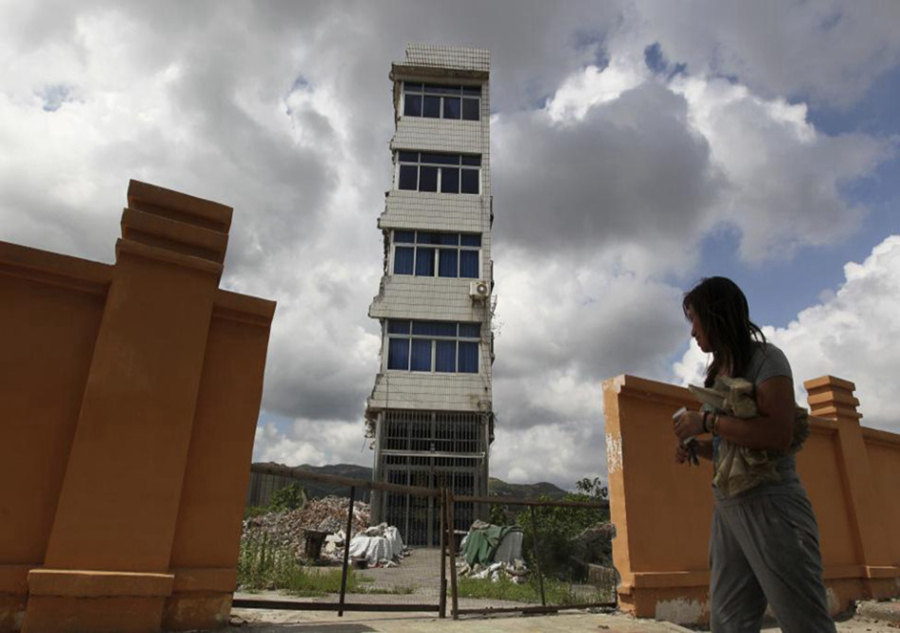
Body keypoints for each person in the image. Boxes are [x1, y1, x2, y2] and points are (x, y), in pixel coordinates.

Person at [673, 277, 835, 632]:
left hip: (772, 506)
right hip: (729, 507)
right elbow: (738, 448)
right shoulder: (719, 374)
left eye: (695, 321)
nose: (693, 333)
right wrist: (698, 446)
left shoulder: (767, 360)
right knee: (729, 621)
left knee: (803, 618)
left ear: (716, 317)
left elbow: (778, 435)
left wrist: (707, 421)